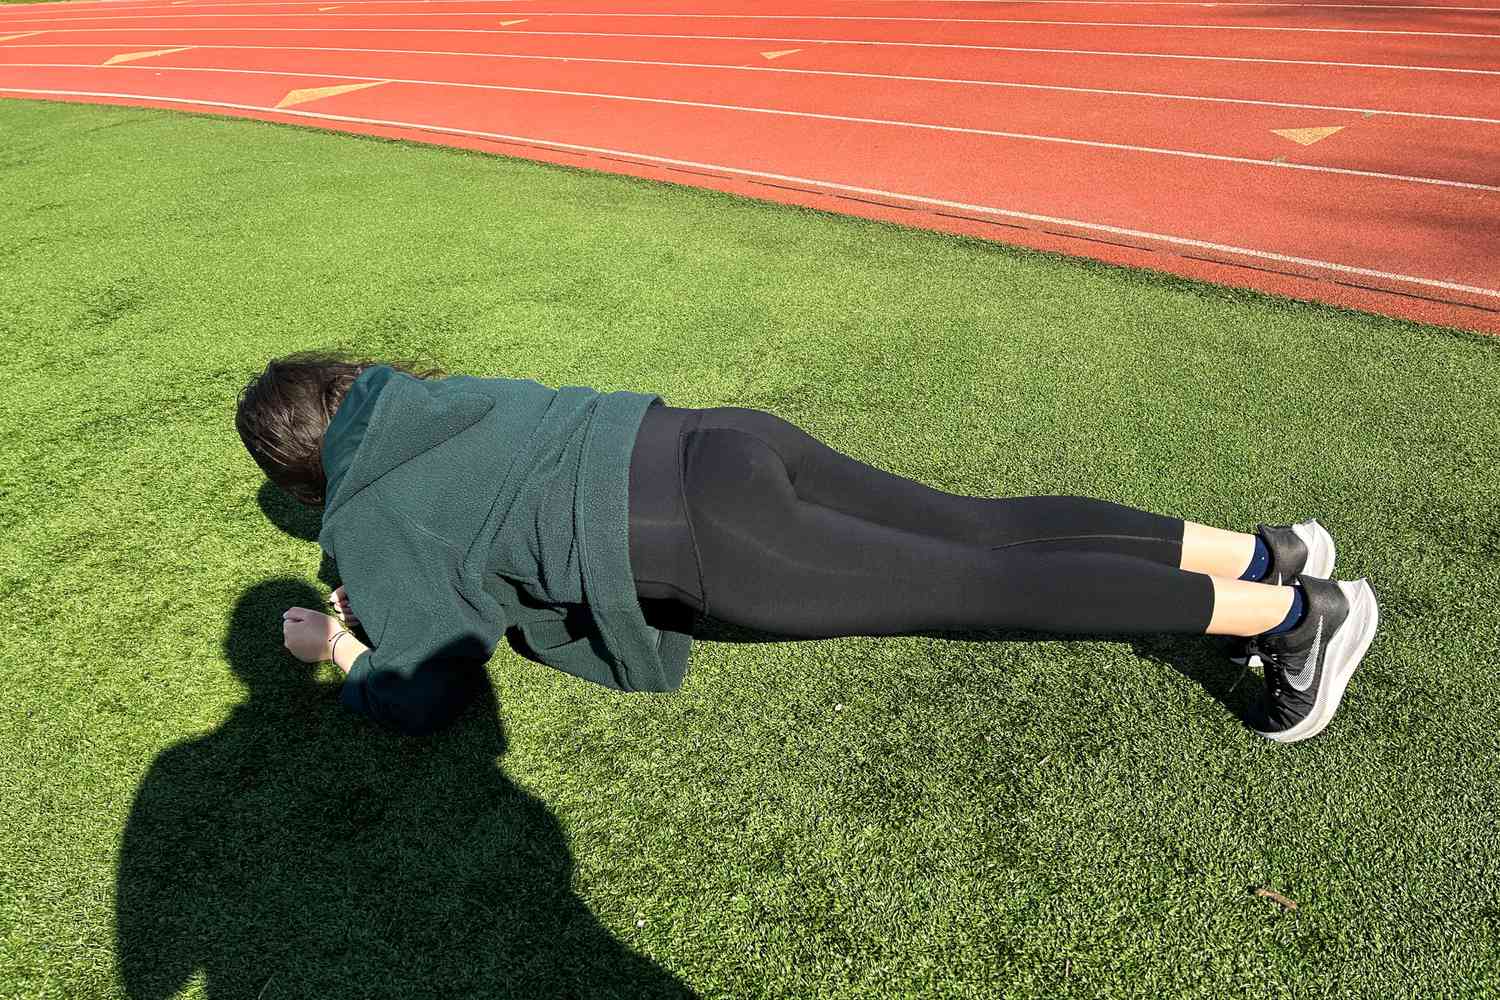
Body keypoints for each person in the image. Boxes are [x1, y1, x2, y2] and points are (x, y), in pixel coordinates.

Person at [238, 351, 1378, 744]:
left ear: (304, 476)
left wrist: (337, 649)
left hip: (714, 534)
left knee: (988, 582)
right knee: (987, 524)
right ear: (346, 383)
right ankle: (1266, 552)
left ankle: (1293, 621)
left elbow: (429, 683)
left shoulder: (360, 513)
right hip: (720, 438)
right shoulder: (424, 396)